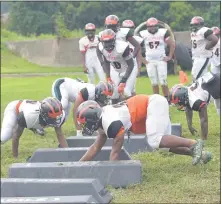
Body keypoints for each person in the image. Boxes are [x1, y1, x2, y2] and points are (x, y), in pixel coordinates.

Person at [76, 95, 212, 165]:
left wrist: (114, 171)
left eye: (85, 123)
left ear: (93, 118)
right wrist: (78, 165)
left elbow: (115, 153)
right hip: (150, 108)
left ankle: (193, 143)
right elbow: (95, 148)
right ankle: (199, 154)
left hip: (152, 104)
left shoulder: (110, 123)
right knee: (163, 145)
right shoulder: (103, 121)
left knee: (155, 140)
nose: (84, 127)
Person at [1, 97, 68, 158]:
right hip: (15, 109)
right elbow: (16, 136)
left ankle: (35, 127)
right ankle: (34, 127)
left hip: (33, 115)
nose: (56, 120)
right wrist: (15, 157)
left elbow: (59, 134)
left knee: (41, 127)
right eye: (52, 118)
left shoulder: (56, 114)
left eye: (57, 117)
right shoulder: (28, 116)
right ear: (43, 115)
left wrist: (67, 153)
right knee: (5, 136)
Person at [168, 71, 220, 140]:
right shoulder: (188, 90)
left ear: (182, 99)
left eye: (177, 103)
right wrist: (190, 125)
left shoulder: (195, 100)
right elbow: (188, 107)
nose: (178, 105)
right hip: (213, 81)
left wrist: (203, 139)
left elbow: (204, 120)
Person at [97, 29, 136, 104]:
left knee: (126, 92)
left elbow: (131, 65)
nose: (107, 44)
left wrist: (123, 81)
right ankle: (115, 112)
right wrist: (108, 76)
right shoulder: (100, 47)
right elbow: (105, 60)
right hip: (115, 69)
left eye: (109, 41)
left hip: (128, 69)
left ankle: (132, 111)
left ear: (114, 40)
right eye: (105, 42)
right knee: (113, 94)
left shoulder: (122, 47)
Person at [139, 17, 175, 100]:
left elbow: (172, 44)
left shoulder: (163, 32)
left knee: (163, 81)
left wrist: (169, 56)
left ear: (157, 26)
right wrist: (142, 59)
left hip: (161, 60)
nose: (152, 28)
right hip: (150, 61)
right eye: (150, 26)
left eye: (154, 26)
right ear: (147, 27)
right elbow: (137, 47)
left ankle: (167, 99)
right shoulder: (143, 34)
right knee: (154, 82)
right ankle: (157, 99)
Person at [190, 16, 218, 81]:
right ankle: (214, 85)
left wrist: (207, 47)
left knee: (195, 78)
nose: (193, 26)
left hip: (203, 57)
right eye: (192, 25)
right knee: (202, 77)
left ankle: (216, 81)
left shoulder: (204, 30)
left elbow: (215, 39)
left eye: (195, 24)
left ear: (201, 24)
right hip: (197, 57)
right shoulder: (193, 33)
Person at [121, 19, 144, 94]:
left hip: (132, 65)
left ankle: (132, 103)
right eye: (126, 28)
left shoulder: (137, 39)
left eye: (131, 28)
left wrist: (139, 68)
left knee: (131, 88)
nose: (129, 30)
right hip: (120, 65)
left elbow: (139, 55)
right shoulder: (119, 38)